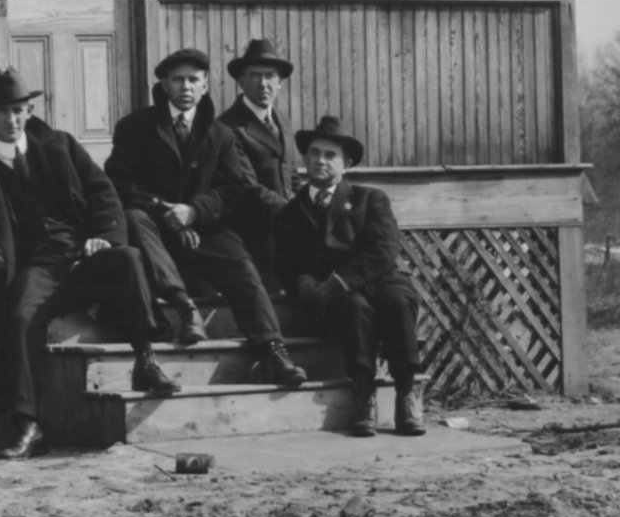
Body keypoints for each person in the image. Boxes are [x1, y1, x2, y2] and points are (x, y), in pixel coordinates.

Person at [0, 66, 175, 460]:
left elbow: (104, 195)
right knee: (22, 316)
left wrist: (102, 237)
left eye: (20, 110)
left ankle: (145, 357)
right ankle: (28, 421)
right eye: (4, 111)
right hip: (34, 268)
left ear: (29, 111)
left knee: (127, 259)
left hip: (80, 257)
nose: (13, 120)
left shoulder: (60, 147)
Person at [105, 47, 308, 390]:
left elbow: (233, 189)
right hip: (154, 229)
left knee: (242, 265)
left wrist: (195, 212)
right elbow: (120, 182)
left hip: (205, 228)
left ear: (205, 86)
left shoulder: (220, 134)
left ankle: (273, 350)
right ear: (164, 85)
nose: (186, 86)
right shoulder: (135, 128)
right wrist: (167, 211)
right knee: (134, 217)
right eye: (178, 79)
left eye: (193, 80)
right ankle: (185, 308)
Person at [271, 114, 424, 439]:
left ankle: (406, 396)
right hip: (336, 295)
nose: (320, 161)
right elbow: (286, 264)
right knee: (353, 308)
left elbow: (383, 250)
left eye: (330, 155)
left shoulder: (370, 198)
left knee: (397, 302)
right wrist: (303, 284)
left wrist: (337, 280)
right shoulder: (290, 213)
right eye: (314, 153)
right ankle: (364, 394)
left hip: (381, 279)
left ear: (346, 165)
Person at [216, 37, 296, 278]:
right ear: (241, 81)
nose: (263, 84)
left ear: (280, 82)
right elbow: (248, 188)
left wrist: (305, 204)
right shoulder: (228, 127)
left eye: (270, 76)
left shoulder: (282, 120)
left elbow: (291, 173)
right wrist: (296, 211)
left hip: (290, 229)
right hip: (254, 234)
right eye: (255, 76)